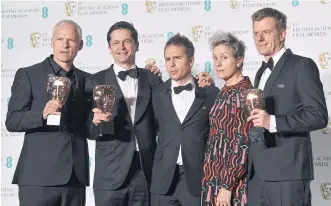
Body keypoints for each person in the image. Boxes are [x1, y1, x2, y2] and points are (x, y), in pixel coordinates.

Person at [247, 7, 328, 206]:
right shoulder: (260, 72)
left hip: (288, 174)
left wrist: (273, 121)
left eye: (266, 32)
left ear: (282, 34)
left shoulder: (302, 65)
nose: (260, 38)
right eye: (256, 33)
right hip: (257, 174)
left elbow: (318, 115)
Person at [6, 20, 90, 206]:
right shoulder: (29, 74)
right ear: (52, 42)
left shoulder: (87, 80)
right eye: (60, 39)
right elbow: (12, 121)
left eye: (71, 40)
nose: (65, 44)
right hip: (38, 177)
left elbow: (89, 126)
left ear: (81, 45)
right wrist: (41, 114)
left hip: (75, 178)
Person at [150, 34, 220, 206]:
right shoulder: (156, 93)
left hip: (198, 178)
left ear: (190, 60)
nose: (171, 64)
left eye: (177, 58)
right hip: (163, 179)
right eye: (167, 59)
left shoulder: (210, 93)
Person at [201, 31, 253, 206]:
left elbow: (242, 141)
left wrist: (227, 185)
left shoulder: (246, 94)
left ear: (239, 60)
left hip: (231, 184)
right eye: (215, 58)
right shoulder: (223, 92)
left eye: (224, 57)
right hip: (212, 178)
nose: (218, 64)